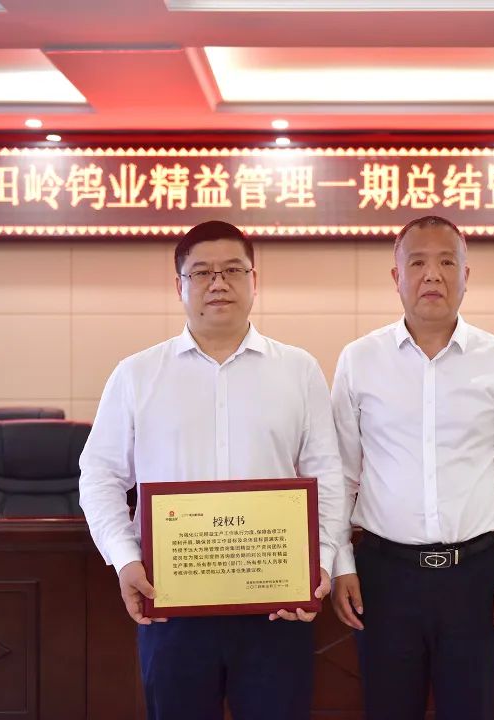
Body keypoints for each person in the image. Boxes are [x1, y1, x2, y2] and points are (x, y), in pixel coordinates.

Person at [79, 220, 345, 720]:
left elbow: (327, 475)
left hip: (277, 604)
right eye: (201, 272)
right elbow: (99, 475)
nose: (218, 283)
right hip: (173, 601)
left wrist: (321, 563)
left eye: (232, 270)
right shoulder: (137, 374)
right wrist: (125, 558)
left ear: (254, 280)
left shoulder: (299, 369)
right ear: (178, 285)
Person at [329, 215, 494, 720]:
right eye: (418, 263)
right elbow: (341, 477)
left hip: (474, 579)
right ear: (396, 277)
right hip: (384, 578)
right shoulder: (359, 360)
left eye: (447, 262)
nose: (432, 275)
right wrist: (341, 563)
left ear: (466, 275)